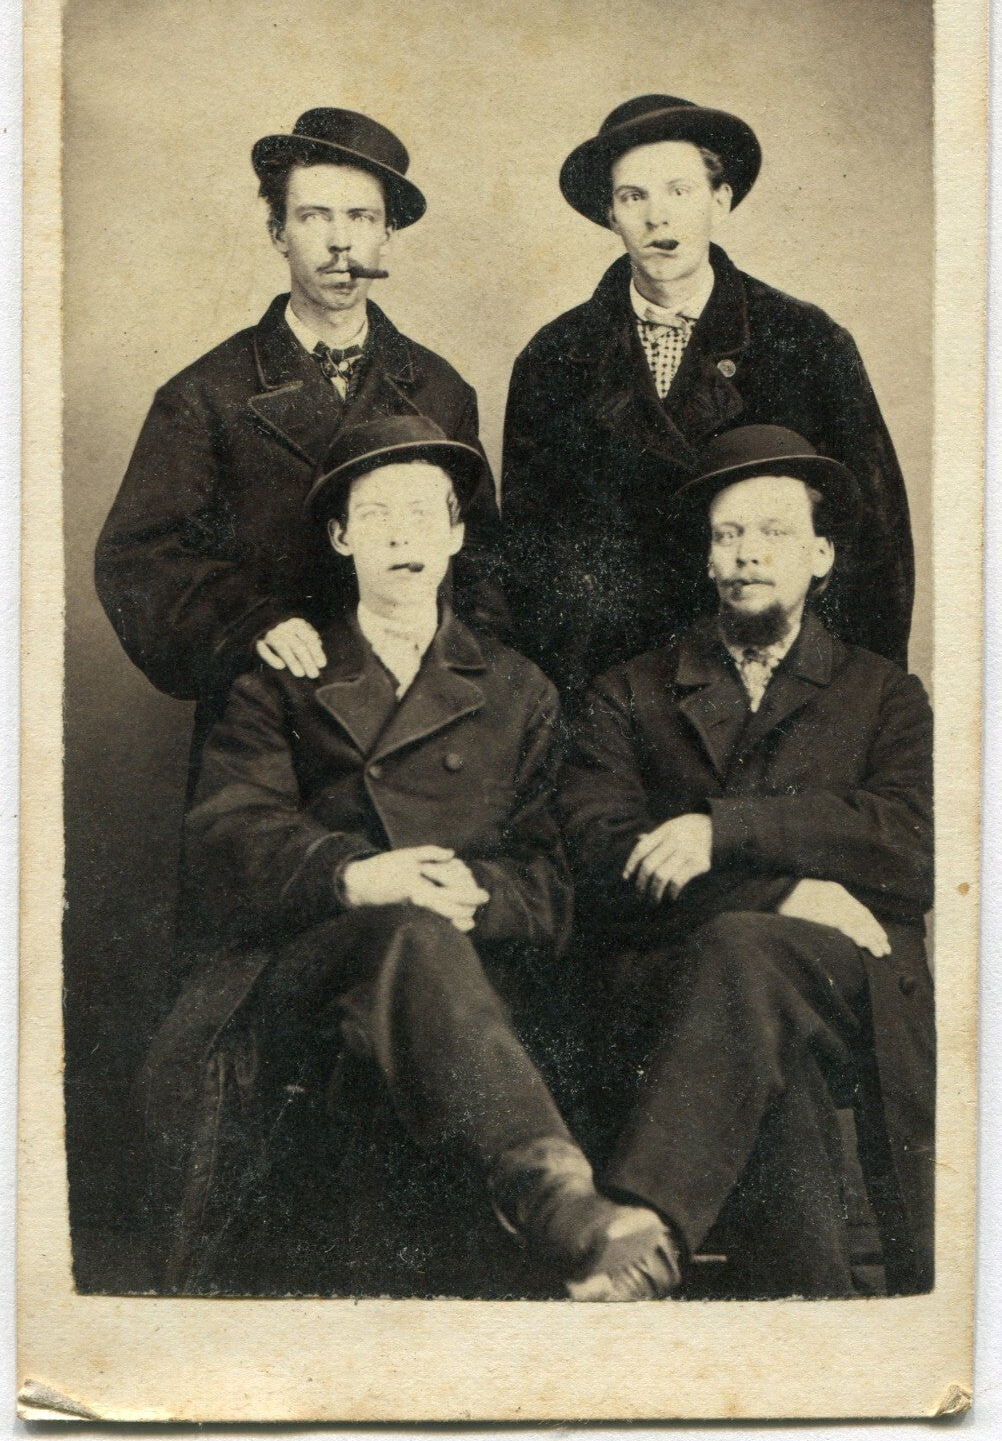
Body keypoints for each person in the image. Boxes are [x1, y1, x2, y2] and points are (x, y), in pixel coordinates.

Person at [142, 416, 676, 1301]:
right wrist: (354, 874)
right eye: (377, 515)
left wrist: (480, 892)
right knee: (404, 931)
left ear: (459, 534)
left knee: (433, 936)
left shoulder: (518, 689)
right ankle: (559, 1202)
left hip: (470, 982)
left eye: (424, 514)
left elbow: (554, 878)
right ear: (342, 539)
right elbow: (228, 835)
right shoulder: (282, 674)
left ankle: (563, 1225)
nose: (402, 535)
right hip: (298, 978)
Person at [558, 426, 934, 1298]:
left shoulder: (884, 694)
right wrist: (786, 887)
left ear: (822, 554)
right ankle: (818, 1324)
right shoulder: (630, 689)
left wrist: (724, 834)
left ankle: (642, 1236)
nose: (748, 554)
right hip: (674, 984)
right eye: (728, 536)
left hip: (853, 983)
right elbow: (596, 853)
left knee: (742, 955)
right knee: (757, 1011)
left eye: (771, 532)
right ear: (707, 559)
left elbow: (914, 843)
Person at [96, 107, 505, 765]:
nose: (340, 245)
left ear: (388, 234)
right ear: (278, 232)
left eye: (361, 218)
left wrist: (457, 689)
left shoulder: (440, 390)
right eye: (314, 217)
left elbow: (485, 563)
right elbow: (138, 562)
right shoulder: (204, 395)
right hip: (267, 720)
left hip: (412, 723)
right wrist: (250, 624)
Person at [502, 94, 913, 707]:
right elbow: (527, 556)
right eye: (632, 197)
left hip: (769, 681)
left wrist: (855, 707)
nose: (656, 218)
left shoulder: (805, 340)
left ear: (720, 200)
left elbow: (874, 543)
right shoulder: (553, 358)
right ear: (609, 216)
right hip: (612, 691)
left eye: (679, 191)